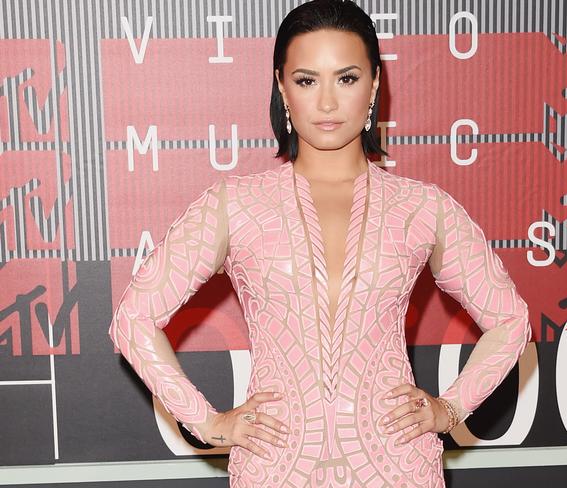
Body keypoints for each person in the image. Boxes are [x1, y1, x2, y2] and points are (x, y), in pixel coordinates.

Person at [107, 0, 532, 486]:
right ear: (282, 87)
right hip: (275, 466)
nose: (327, 103)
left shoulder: (422, 208)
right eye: (307, 80)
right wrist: (206, 422)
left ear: (374, 84)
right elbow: (133, 319)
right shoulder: (234, 205)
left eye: (346, 79)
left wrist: (451, 408)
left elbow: (510, 320)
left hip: (397, 466)